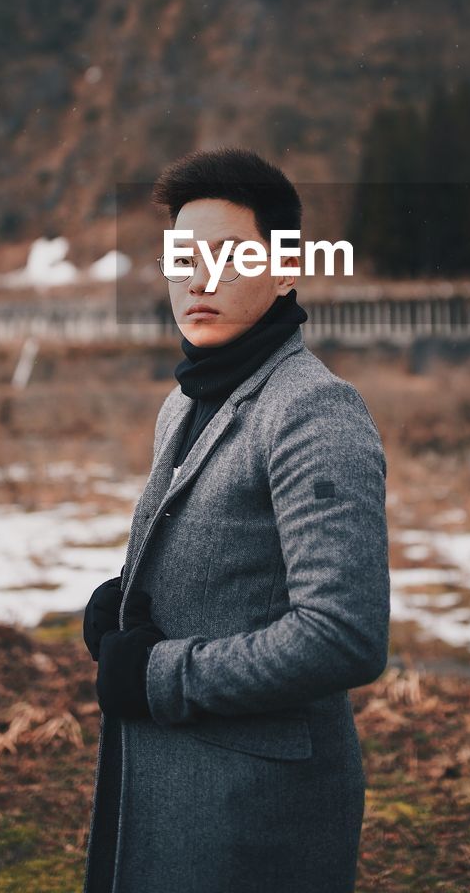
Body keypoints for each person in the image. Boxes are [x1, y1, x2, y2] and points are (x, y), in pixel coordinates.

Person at [82, 146, 390, 893]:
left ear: (286, 270)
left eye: (228, 257)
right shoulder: (187, 400)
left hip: (253, 815)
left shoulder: (315, 411)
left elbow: (342, 637)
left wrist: (157, 676)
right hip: (166, 791)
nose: (200, 278)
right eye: (183, 257)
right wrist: (121, 600)